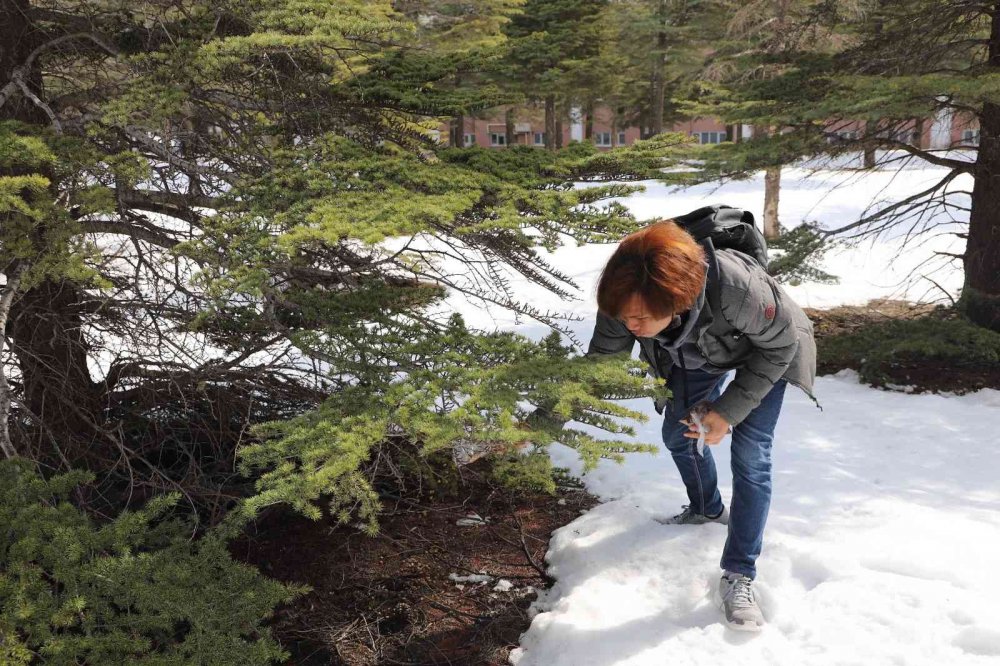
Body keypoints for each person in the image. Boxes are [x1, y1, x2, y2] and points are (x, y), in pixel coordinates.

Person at [585, 218, 817, 632]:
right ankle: (708, 509)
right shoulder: (627, 300)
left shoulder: (737, 288)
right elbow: (596, 369)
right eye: (623, 317)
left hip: (768, 354)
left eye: (637, 318)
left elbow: (781, 345)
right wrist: (539, 421)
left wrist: (727, 412)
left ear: (673, 300)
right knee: (679, 434)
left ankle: (739, 574)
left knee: (750, 456)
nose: (629, 326)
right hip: (701, 353)